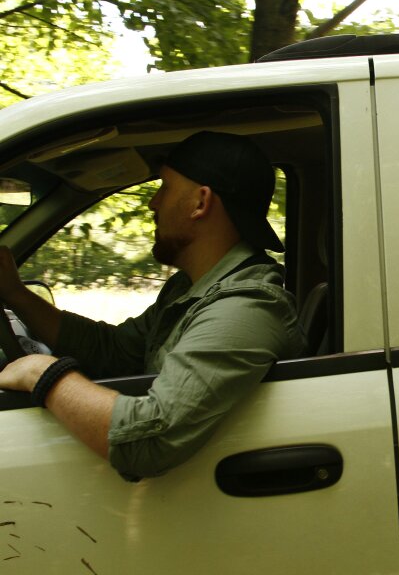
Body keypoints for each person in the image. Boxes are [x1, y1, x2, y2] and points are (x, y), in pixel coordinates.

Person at [0, 131, 305, 480]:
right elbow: (115, 351)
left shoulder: (245, 308)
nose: (154, 204)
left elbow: (148, 441)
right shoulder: (189, 289)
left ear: (200, 202)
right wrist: (17, 294)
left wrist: (40, 373)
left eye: (165, 188)